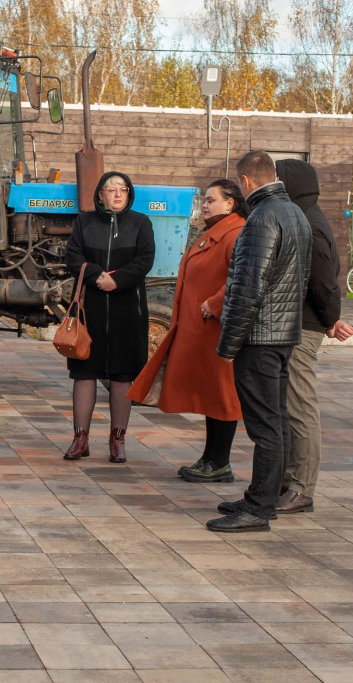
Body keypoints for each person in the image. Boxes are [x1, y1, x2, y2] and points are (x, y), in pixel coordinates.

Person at [210, 150, 312, 533]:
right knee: (277, 422)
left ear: (248, 182)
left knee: (265, 426)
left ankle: (258, 508)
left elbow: (247, 286)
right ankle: (262, 496)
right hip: (283, 335)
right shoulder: (295, 214)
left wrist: (228, 344)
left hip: (260, 338)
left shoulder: (261, 218)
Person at [129, 180, 247, 483]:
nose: (205, 205)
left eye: (211, 199)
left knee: (222, 397)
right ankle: (210, 458)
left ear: (230, 203)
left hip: (217, 330)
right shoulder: (214, 233)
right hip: (201, 331)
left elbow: (243, 277)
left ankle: (220, 462)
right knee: (211, 396)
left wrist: (213, 304)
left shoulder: (236, 234)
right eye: (204, 200)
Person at [274, 159, 353, 513]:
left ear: (291, 183)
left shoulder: (310, 222)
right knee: (291, 407)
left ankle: (303, 488)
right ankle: (290, 480)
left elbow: (325, 283)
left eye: (278, 180)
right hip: (299, 324)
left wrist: (328, 320)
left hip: (303, 328)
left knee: (301, 407)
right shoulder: (301, 215)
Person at [63, 171, 155, 463]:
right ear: (99, 194)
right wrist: (96, 276)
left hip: (127, 309)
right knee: (84, 372)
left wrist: (118, 280)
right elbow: (73, 257)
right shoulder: (84, 222)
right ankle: (80, 438)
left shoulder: (141, 223)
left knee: (121, 376)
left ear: (129, 194)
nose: (117, 194)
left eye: (122, 189)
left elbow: (145, 260)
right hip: (89, 310)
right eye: (110, 189)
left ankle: (118, 440)